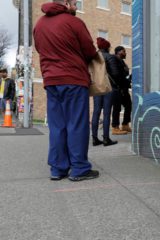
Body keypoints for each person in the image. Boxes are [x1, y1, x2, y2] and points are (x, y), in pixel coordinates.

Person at [33, 0, 99, 181]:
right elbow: (89, 51)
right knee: (76, 124)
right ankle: (79, 168)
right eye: (75, 4)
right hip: (73, 79)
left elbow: (40, 49)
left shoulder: (39, 24)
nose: (77, 7)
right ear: (67, 3)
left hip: (51, 80)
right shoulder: (74, 22)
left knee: (57, 126)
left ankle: (58, 168)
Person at [91, 37, 118, 147]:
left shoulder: (93, 57)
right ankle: (106, 139)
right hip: (107, 87)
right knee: (107, 113)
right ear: (107, 47)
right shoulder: (110, 57)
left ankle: (94, 138)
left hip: (96, 86)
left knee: (96, 112)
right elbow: (115, 73)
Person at [110, 46, 132, 134]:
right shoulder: (114, 60)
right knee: (117, 108)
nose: (125, 53)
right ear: (118, 52)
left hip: (124, 88)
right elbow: (116, 75)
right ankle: (115, 128)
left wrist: (129, 78)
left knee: (128, 105)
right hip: (117, 88)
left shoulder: (122, 62)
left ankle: (125, 125)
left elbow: (124, 74)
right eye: (124, 51)